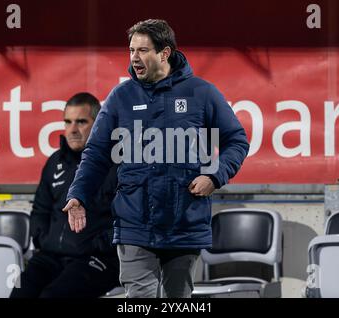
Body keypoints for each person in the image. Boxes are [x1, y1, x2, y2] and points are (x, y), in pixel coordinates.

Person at [63, 19, 250, 298]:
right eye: (131, 50)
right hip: (134, 224)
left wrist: (215, 176)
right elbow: (97, 153)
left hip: (185, 224)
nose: (134, 58)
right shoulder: (120, 97)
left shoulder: (202, 93)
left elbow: (236, 140)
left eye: (142, 50)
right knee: (140, 298)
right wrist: (78, 194)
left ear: (165, 53)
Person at [10, 92, 119, 298]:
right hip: (50, 256)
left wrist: (96, 245)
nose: (73, 130)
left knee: (53, 296)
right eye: (67, 122)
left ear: (99, 124)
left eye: (81, 122)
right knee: (19, 293)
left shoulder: (116, 165)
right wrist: (44, 238)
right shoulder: (55, 161)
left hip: (96, 259)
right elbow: (40, 209)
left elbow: (129, 218)